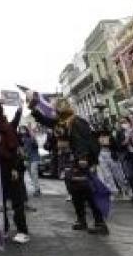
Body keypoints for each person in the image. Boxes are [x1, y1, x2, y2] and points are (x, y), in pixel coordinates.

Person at [30, 96, 108, 234]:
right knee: (74, 192)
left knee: (87, 192)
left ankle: (100, 222)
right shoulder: (60, 122)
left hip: (79, 161)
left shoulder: (76, 121)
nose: (51, 109)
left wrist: (82, 158)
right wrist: (33, 108)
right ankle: (81, 220)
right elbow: (44, 120)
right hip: (67, 161)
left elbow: (83, 141)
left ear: (61, 107)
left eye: (53, 107)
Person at [0, 101, 30, 244]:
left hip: (10, 167)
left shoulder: (6, 128)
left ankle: (22, 230)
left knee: (17, 201)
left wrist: (14, 168)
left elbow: (13, 149)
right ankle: (4, 228)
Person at [18, 126, 41, 197]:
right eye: (21, 130)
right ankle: (37, 188)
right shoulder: (21, 139)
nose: (22, 131)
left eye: (23, 129)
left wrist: (33, 138)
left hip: (34, 158)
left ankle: (37, 190)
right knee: (31, 174)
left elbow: (36, 145)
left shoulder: (31, 138)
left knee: (34, 173)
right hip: (27, 159)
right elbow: (22, 149)